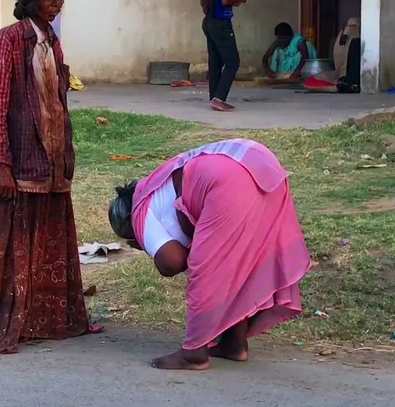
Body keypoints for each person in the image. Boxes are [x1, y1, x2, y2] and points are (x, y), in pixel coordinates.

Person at [0, 0, 102, 354]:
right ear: (29, 1)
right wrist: (0, 164)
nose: (57, 2)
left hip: (53, 159)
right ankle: (14, 321)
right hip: (23, 161)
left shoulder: (52, 41)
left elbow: (58, 101)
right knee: (19, 243)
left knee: (52, 242)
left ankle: (49, 319)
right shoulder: (11, 39)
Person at [108, 139, 311, 370]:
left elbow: (171, 263)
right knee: (241, 264)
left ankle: (193, 353)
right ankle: (234, 344)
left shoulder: (139, 213)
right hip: (259, 162)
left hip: (230, 177)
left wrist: (146, 245)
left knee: (207, 268)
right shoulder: (155, 187)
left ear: (131, 236)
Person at [200, 0, 247, 112]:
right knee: (232, 61)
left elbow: (202, 2)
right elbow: (225, 0)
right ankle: (219, 98)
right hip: (221, 24)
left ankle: (215, 97)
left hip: (209, 22)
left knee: (215, 62)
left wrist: (212, 9)